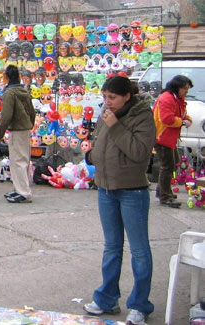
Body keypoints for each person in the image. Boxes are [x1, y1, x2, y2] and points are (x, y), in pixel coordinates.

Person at [82, 76, 156, 325]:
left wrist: (115, 125)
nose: (107, 102)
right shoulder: (106, 112)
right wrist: (91, 155)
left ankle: (139, 305)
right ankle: (106, 299)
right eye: (104, 97)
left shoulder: (143, 115)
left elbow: (138, 152)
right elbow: (98, 140)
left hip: (132, 191)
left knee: (139, 250)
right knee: (112, 247)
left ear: (127, 96)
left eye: (111, 97)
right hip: (105, 188)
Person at [0, 65, 36, 203]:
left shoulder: (9, 93)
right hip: (25, 128)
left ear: (6, 77)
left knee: (17, 161)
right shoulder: (23, 90)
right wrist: (29, 124)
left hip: (16, 130)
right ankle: (19, 188)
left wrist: (0, 133)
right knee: (23, 160)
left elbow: (6, 116)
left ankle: (23, 192)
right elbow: (32, 112)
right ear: (18, 76)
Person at [153, 75, 193, 208]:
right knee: (167, 166)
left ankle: (162, 191)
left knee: (173, 163)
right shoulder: (167, 98)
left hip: (170, 138)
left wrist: (186, 119)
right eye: (185, 88)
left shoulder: (178, 99)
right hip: (161, 137)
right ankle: (165, 197)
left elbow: (181, 114)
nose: (187, 91)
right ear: (177, 87)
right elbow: (167, 119)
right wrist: (182, 122)